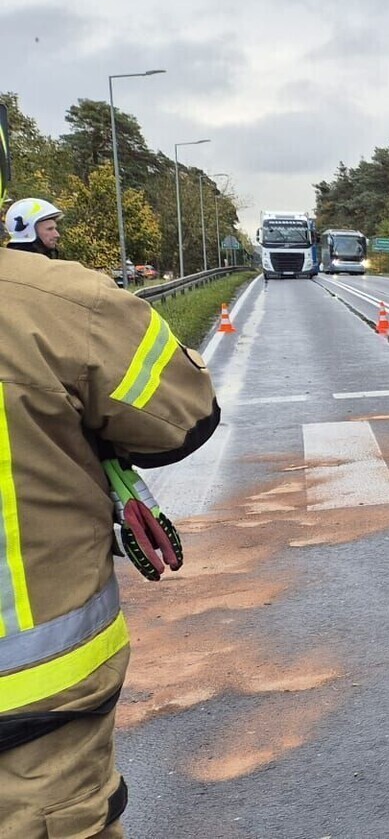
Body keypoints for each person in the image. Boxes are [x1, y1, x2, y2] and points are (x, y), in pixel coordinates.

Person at [0, 198, 220, 838]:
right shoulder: (55, 300)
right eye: (47, 227)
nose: (56, 236)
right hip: (30, 701)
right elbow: (185, 416)